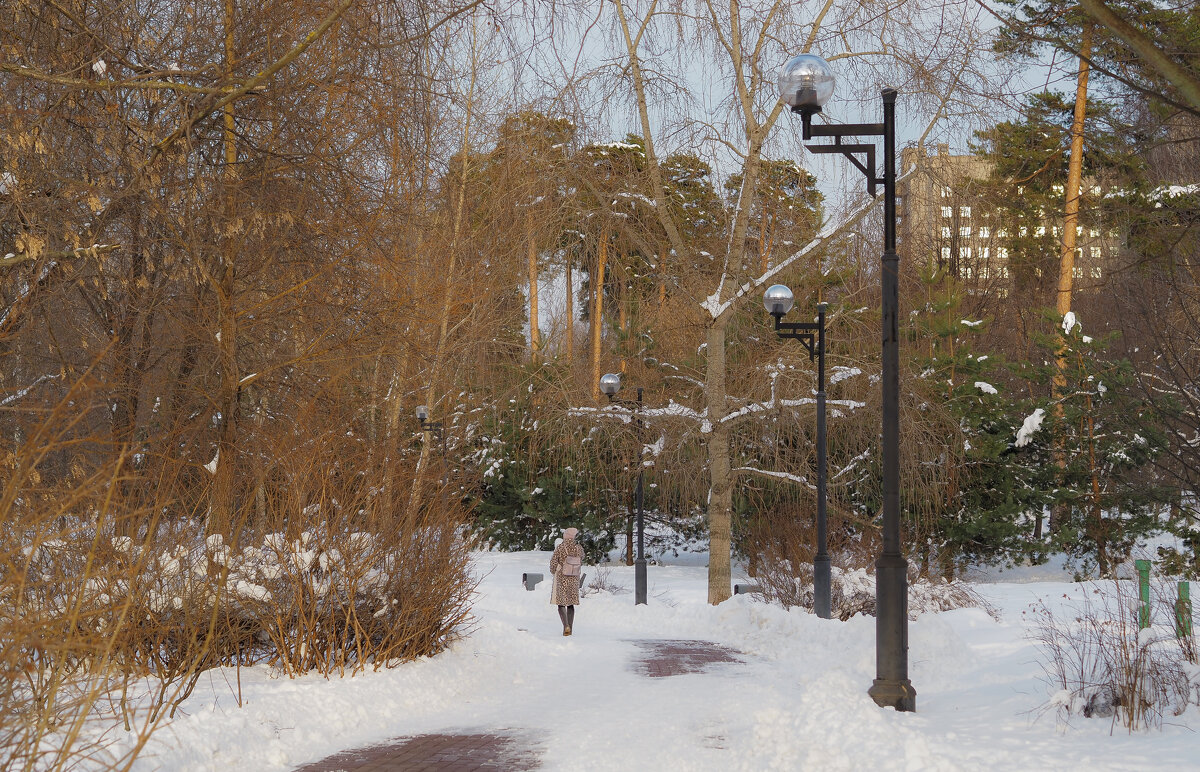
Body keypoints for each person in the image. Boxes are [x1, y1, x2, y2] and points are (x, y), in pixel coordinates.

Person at [549, 527, 584, 636]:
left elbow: (553, 562)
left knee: (561, 603)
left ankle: (566, 626)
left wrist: (553, 570)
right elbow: (582, 558)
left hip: (562, 577)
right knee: (570, 604)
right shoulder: (578, 548)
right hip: (574, 578)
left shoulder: (560, 547)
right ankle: (571, 629)